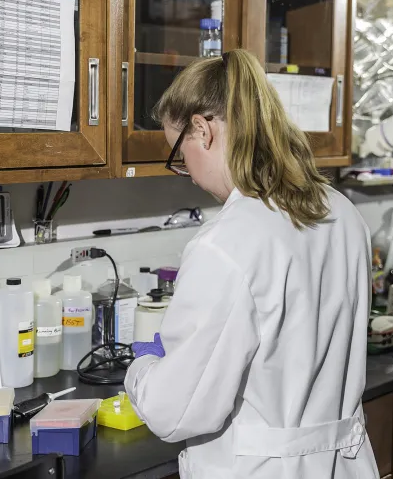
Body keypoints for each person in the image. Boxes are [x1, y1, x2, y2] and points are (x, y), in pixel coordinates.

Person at [125, 50, 378, 479]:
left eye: (180, 157)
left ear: (202, 130)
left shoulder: (227, 242)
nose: (187, 171)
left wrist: (143, 366)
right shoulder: (341, 212)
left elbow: (176, 411)